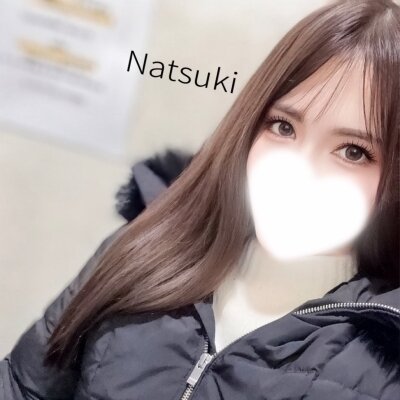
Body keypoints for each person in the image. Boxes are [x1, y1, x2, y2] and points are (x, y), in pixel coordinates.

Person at [1, 0, 399, 399]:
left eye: (353, 152)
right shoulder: (148, 247)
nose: (299, 173)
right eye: (283, 127)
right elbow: (21, 386)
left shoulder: (386, 364)